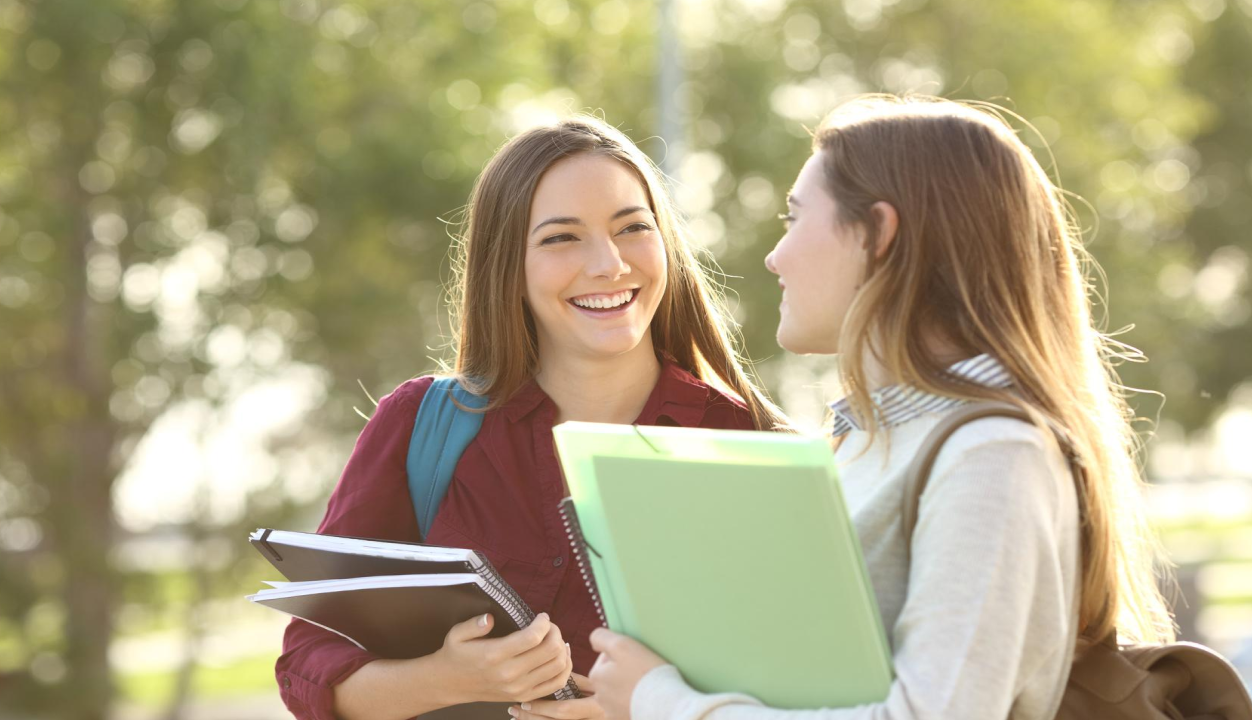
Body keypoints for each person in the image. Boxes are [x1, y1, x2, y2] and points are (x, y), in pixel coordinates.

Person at [584, 95, 1176, 720]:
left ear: (879, 235)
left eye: (793, 218)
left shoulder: (994, 454)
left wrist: (664, 702)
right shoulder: (869, 440)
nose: (774, 257)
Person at [274, 116, 789, 720]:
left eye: (633, 228)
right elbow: (308, 662)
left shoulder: (754, 447)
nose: (609, 264)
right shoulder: (420, 424)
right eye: (560, 238)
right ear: (507, 267)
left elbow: (808, 688)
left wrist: (648, 709)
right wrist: (447, 680)